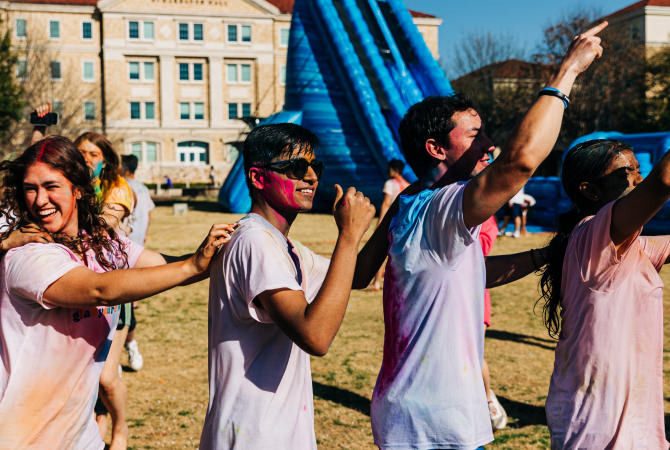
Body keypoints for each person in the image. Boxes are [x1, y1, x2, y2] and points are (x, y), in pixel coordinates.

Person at [369, 22, 606, 449]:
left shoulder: (410, 203)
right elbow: (520, 162)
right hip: (437, 423)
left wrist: (543, 256)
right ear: (436, 149)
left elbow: (467, 272)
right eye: (475, 137)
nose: (488, 147)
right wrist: (567, 71)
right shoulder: (444, 205)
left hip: (411, 412)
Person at [0, 136, 234, 449]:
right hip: (22, 437)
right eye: (31, 188)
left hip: (80, 437)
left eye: (51, 186)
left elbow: (164, 267)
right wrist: (192, 266)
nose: (40, 199)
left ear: (78, 188)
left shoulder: (101, 243)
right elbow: (100, 290)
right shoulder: (29, 255)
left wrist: (232, 242)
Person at [199, 123, 375, 449]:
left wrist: (403, 205)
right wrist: (349, 238)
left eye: (314, 167)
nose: (311, 177)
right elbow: (316, 336)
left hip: (272, 430)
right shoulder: (255, 241)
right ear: (258, 177)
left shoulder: (282, 245)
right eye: (296, 168)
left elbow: (357, 275)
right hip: (255, 434)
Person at [539, 139, 670, 448]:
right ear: (590, 189)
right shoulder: (592, 235)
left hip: (632, 424)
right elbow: (663, 181)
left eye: (639, 170)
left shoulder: (631, 247)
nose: (637, 179)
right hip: (596, 425)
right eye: (627, 172)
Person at [121, 154, 155, 371]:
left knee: (126, 302)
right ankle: (129, 346)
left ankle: (130, 344)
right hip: (132, 245)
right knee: (127, 301)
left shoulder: (121, 186)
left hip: (128, 248)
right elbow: (149, 213)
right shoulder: (142, 187)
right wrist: (145, 233)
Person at [371, 159, 410, 290]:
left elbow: (386, 204)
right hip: (404, 224)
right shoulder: (407, 184)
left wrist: (380, 223)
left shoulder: (389, 183)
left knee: (381, 253)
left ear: (394, 170)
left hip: (391, 223)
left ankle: (376, 282)